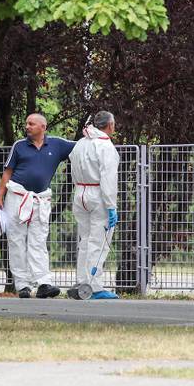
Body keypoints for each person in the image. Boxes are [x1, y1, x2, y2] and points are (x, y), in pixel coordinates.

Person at [0, 113, 75, 299]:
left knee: (38, 240)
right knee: (16, 240)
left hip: (40, 200)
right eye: (26, 123)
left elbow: (81, 146)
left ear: (43, 127)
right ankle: (22, 285)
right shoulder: (19, 146)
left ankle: (44, 283)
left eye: (31, 124)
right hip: (17, 197)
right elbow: (7, 172)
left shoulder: (57, 144)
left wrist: (94, 134)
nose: (27, 126)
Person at [67, 111, 120, 300]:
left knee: (85, 239)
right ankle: (94, 286)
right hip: (97, 194)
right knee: (99, 240)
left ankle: (82, 279)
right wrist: (111, 205)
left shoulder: (81, 143)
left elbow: (72, 168)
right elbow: (108, 178)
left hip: (80, 192)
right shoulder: (105, 146)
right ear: (110, 125)